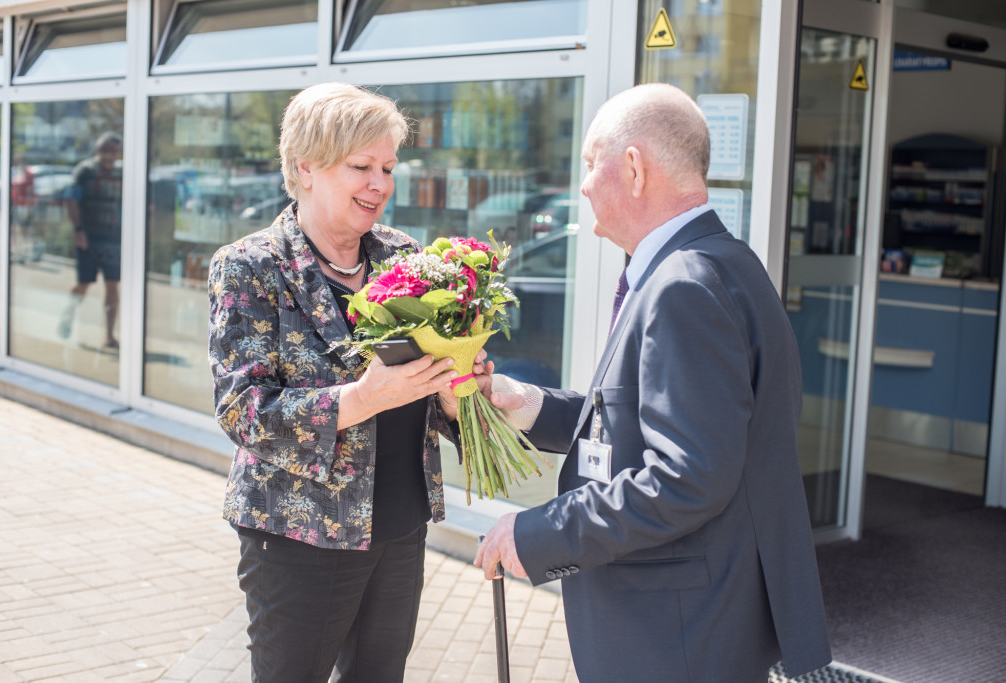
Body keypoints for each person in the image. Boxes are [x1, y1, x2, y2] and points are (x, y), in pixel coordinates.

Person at [474, 83, 832, 682]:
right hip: (696, 616)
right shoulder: (724, 261)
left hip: (675, 631)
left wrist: (538, 533)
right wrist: (529, 404)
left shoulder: (682, 286)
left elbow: (686, 478)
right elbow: (646, 427)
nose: (584, 185)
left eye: (591, 164)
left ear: (634, 169)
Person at [208, 83, 471, 682]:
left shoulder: (406, 258)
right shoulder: (252, 267)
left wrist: (455, 398)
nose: (380, 183)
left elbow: (425, 392)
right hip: (300, 537)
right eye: (361, 167)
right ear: (306, 166)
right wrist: (359, 399)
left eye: (387, 167)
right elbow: (243, 411)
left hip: (400, 525)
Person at [58, 132, 123, 349]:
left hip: (113, 239)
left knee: (112, 286)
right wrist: (78, 230)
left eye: (116, 151)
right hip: (89, 237)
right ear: (99, 150)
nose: (113, 155)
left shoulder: (121, 173)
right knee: (84, 283)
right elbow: (72, 199)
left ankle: (109, 335)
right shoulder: (85, 171)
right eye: (109, 150)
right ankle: (68, 314)